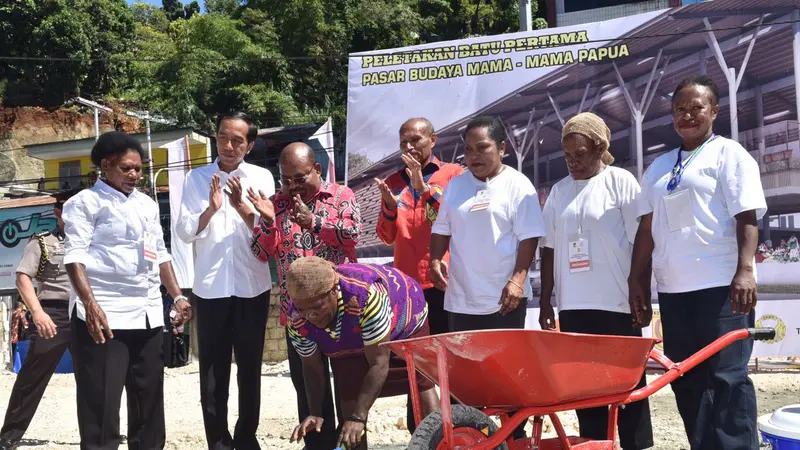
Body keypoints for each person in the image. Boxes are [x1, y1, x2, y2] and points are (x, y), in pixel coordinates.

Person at [629, 75, 767, 450]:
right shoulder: (658, 167)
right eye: (679, 109)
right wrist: (636, 281)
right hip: (674, 292)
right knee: (686, 378)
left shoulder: (730, 154)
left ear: (715, 111)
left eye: (696, 107)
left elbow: (747, 217)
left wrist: (745, 270)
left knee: (728, 379)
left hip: (722, 290)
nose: (687, 115)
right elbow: (646, 230)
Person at [62, 131, 191, 450]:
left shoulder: (146, 204)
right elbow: (74, 256)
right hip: (104, 318)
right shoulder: (84, 203)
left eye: (139, 169)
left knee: (148, 401)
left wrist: (177, 296)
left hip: (147, 315)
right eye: (127, 168)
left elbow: (161, 253)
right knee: (101, 404)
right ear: (106, 166)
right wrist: (90, 304)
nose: (135, 175)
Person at [538, 112, 653, 450]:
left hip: (616, 304)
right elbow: (548, 249)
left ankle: (636, 445)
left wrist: (640, 290)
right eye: (568, 155)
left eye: (581, 153)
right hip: (574, 307)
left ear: (600, 147)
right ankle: (594, 445)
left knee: (627, 389)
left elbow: (642, 242)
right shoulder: (559, 192)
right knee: (585, 389)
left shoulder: (620, 182)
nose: (573, 161)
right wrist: (546, 301)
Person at [429, 115, 546, 439]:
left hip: (503, 300)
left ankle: (513, 439)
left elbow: (529, 237)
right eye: (468, 150)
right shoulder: (456, 186)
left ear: (503, 148)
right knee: (467, 381)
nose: (475, 156)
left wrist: (518, 279)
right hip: (461, 300)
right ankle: (476, 439)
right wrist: (436, 259)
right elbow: (441, 229)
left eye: (483, 148)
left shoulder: (518, 185)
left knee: (506, 379)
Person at [248, 142, 361, 449]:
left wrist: (314, 222)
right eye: (285, 180)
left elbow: (353, 235)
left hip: (342, 314)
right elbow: (259, 253)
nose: (292, 186)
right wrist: (269, 222)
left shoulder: (341, 196)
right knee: (311, 396)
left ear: (317, 170)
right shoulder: (276, 204)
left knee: (349, 395)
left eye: (299, 178)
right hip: (299, 319)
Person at [174, 112, 275, 450]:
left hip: (253, 286)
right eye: (222, 138)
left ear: (249, 144)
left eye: (237, 140)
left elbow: (270, 231)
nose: (228, 146)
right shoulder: (196, 179)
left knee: (250, 368)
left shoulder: (261, 177)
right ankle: (217, 440)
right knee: (213, 373)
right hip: (212, 288)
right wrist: (211, 209)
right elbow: (184, 232)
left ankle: (247, 436)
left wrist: (242, 206)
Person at [285, 257, 439, 450]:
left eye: (317, 307)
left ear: (334, 291)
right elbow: (312, 366)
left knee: (419, 381)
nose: (310, 316)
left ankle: (439, 441)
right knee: (349, 391)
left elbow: (379, 363)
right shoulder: (296, 319)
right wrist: (316, 412)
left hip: (404, 312)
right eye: (302, 309)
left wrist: (359, 417)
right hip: (351, 330)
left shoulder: (367, 297)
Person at [375, 118, 464, 335]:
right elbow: (386, 237)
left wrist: (424, 189)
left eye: (415, 140)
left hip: (445, 280)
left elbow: (460, 220)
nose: (409, 147)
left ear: (432, 140)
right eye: (403, 142)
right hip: (407, 285)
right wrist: (389, 206)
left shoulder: (453, 174)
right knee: (417, 353)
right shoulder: (393, 182)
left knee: (448, 346)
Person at [0, 192, 75, 450]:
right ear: (58, 213)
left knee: (97, 374)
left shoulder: (94, 243)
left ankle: (100, 433)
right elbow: (22, 278)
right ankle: (9, 435)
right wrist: (37, 311)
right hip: (53, 313)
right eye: (70, 210)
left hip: (87, 312)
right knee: (32, 376)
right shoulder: (43, 242)